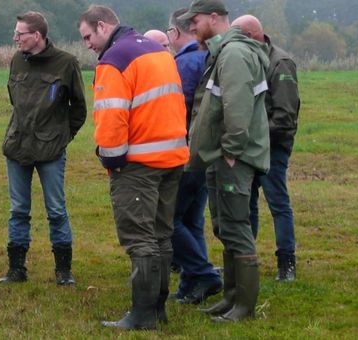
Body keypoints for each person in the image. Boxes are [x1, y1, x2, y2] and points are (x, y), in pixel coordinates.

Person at [79, 5, 188, 330]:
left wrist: (111, 161)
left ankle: (142, 314)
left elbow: (112, 115)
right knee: (162, 235)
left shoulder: (115, 59)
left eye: (87, 36)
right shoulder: (158, 50)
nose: (87, 44)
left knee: (139, 239)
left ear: (102, 26)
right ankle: (159, 308)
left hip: (139, 164)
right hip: (173, 157)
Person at [180, 0, 270, 322]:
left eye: (196, 20)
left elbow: (238, 105)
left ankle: (243, 307)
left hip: (233, 156)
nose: (191, 27)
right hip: (221, 155)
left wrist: (231, 150)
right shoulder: (224, 52)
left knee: (236, 226)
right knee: (224, 226)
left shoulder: (232, 53)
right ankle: (231, 298)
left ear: (214, 18)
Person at [0, 11, 87, 286]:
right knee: (18, 210)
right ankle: (16, 269)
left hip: (51, 151)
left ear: (37, 35)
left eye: (20, 34)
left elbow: (79, 109)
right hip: (17, 147)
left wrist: (61, 138)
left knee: (57, 210)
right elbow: (14, 98)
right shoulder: (16, 61)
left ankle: (63, 271)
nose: (15, 38)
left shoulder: (67, 63)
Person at [231, 14, 300, 282]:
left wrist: (253, 134)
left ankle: (287, 263)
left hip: (273, 146)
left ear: (249, 36)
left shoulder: (279, 63)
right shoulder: (249, 58)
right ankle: (247, 260)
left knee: (278, 203)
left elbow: (285, 117)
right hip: (250, 144)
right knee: (247, 203)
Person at [166, 7, 223, 305]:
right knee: (190, 220)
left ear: (175, 32)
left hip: (186, 152)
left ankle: (204, 274)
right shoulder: (209, 57)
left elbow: (181, 109)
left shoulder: (185, 62)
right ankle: (190, 287)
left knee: (166, 219)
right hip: (207, 152)